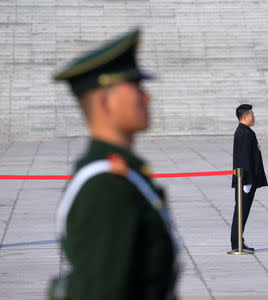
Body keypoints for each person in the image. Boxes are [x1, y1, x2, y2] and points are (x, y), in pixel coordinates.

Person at [51, 29, 178, 299]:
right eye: (136, 87)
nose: (147, 97)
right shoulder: (107, 188)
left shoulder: (121, 173)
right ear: (105, 101)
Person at [231, 104, 268, 251]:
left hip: (245, 179)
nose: (254, 117)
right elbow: (245, 159)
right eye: (252, 115)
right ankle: (236, 244)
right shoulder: (245, 133)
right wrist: (247, 181)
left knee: (242, 212)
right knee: (241, 212)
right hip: (245, 180)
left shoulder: (244, 131)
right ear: (245, 117)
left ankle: (238, 241)